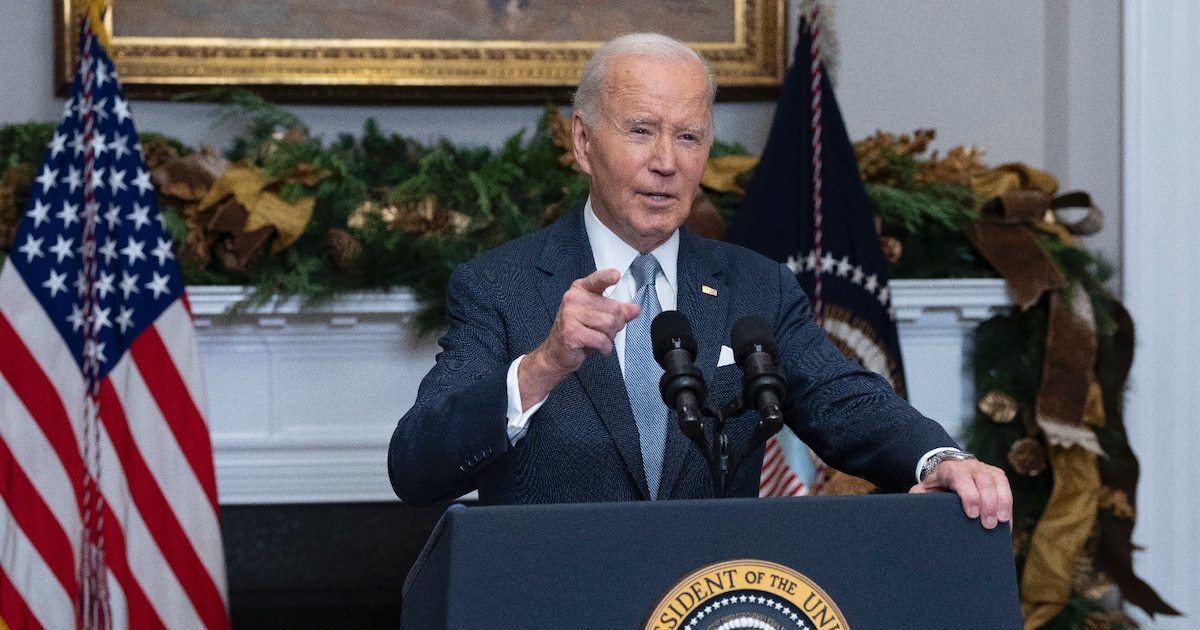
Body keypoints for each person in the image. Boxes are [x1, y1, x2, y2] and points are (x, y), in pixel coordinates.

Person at [388, 32, 1012, 529]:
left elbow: (846, 400)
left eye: (688, 137)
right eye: (641, 130)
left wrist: (944, 460)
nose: (666, 162)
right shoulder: (500, 286)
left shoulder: (755, 287)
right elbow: (416, 468)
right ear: (583, 141)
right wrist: (543, 366)